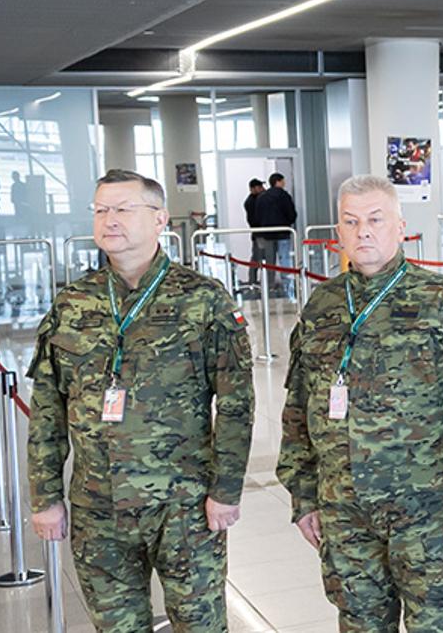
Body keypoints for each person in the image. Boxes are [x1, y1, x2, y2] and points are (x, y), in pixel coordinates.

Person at [25, 169, 254, 631]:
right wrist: (44, 496)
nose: (110, 220)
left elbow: (235, 404)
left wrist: (225, 491)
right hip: (98, 507)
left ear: (159, 220)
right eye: (101, 210)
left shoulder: (203, 300)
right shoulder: (73, 303)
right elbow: (47, 409)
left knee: (200, 622)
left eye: (124, 209)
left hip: (184, 506)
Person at [277, 174, 443, 631]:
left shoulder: (441, 300)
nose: (364, 232)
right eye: (351, 221)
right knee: (360, 622)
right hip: (344, 509)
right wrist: (303, 497)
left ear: (400, 226)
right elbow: (297, 409)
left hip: (424, 505)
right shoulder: (322, 306)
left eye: (376, 220)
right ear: (338, 232)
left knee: (432, 622)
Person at [252, 172, 298, 295]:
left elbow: (257, 216)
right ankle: (288, 286)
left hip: (267, 234)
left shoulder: (262, 197)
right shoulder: (284, 196)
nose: (284, 183)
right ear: (278, 182)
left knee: (269, 260)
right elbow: (292, 214)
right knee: (285, 260)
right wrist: (287, 222)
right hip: (283, 233)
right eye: (283, 181)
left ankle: (269, 286)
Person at [243, 178, 267, 288]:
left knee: (259, 257)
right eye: (259, 187)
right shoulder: (252, 201)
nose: (262, 189)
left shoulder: (257, 199)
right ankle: (252, 281)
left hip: (260, 233)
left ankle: (254, 280)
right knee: (257, 257)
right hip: (259, 233)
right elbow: (254, 219)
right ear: (253, 188)